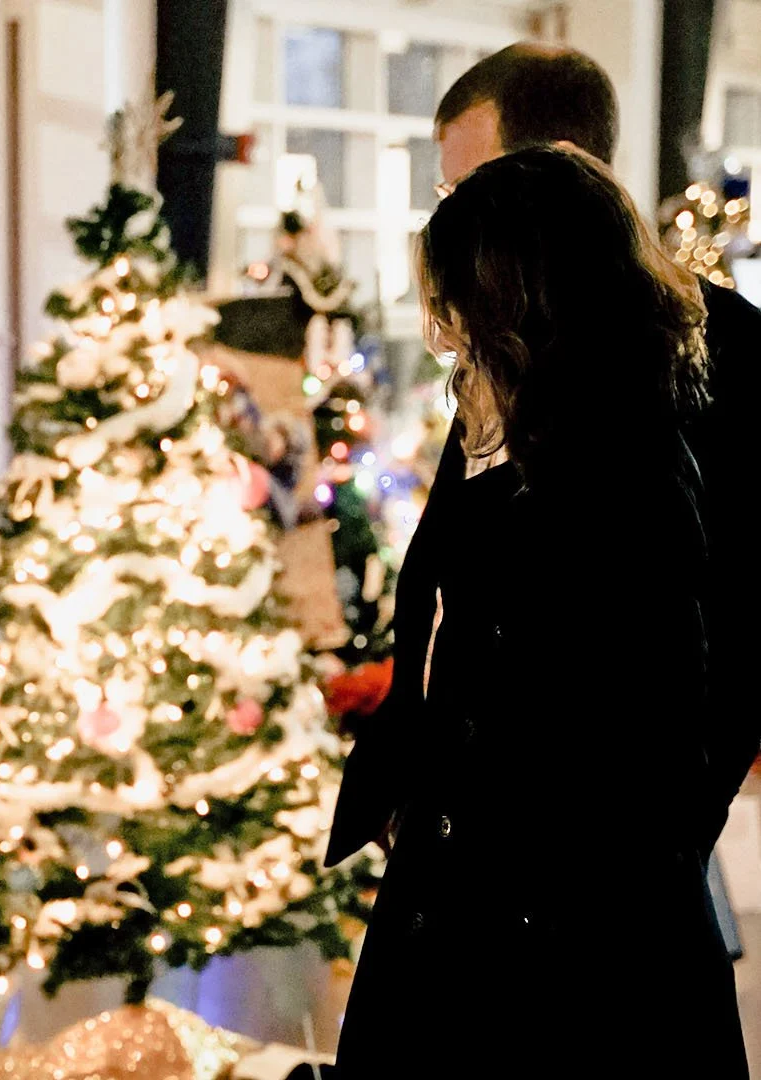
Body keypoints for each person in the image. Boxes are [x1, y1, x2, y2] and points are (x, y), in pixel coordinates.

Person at [332, 144, 746, 1077]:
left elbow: (645, 749)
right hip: (469, 904)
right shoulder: (526, 435)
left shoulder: (626, 474)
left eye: (460, 314)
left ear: (524, 306)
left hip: (562, 951)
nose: (447, 343)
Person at [327, 42, 761, 877]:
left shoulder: (724, 349)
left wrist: (663, 846)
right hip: (460, 847)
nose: (455, 214)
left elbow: (735, 630)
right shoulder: (505, 344)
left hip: (603, 863)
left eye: (468, 185)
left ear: (559, 166)